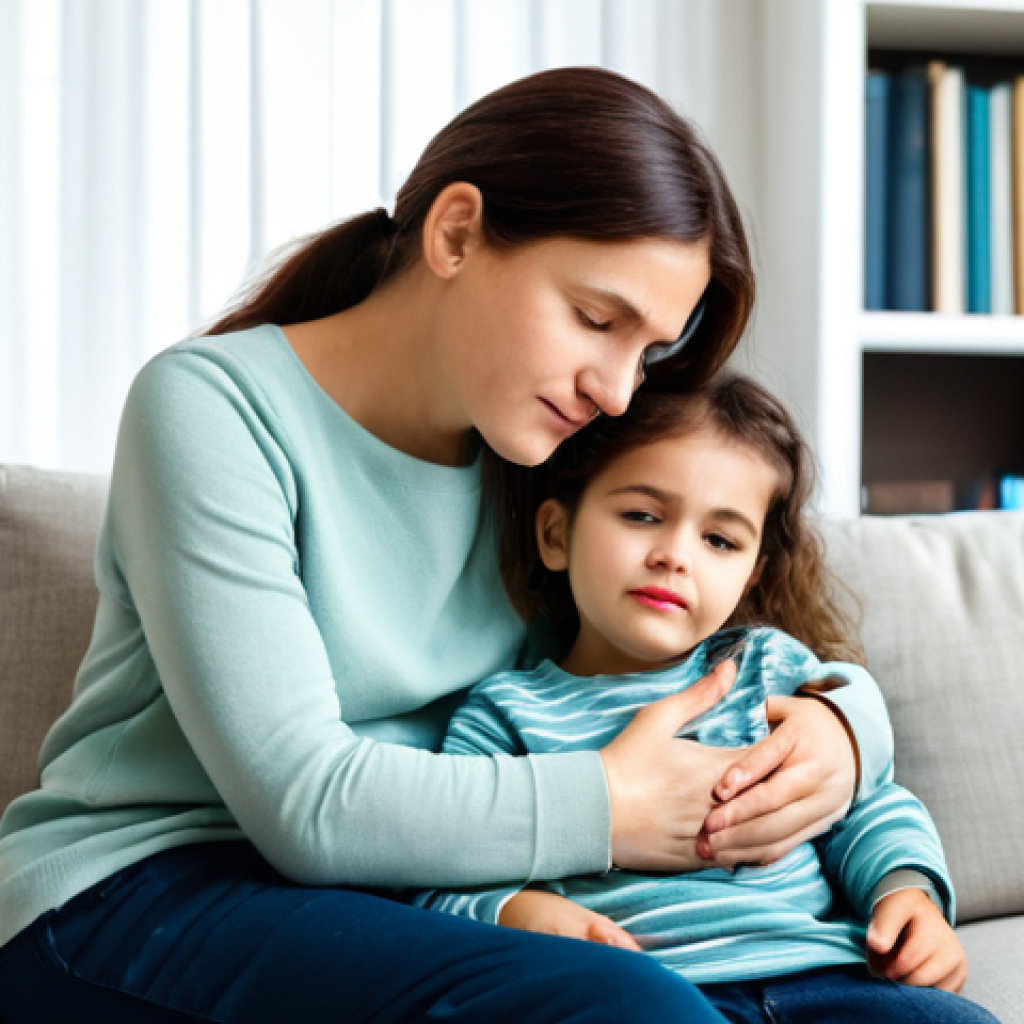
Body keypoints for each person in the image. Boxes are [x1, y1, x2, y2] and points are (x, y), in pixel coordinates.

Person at [0, 68, 894, 1023]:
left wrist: (846, 733)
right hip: (138, 899)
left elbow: (716, 639)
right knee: (635, 1009)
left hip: (395, 899)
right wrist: (613, 805)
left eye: (648, 353)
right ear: (457, 233)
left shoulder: (542, 455)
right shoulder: (212, 406)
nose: (619, 390)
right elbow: (306, 804)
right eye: (597, 320)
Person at [415, 374, 996, 1024]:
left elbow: (864, 806)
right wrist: (520, 911)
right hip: (658, 994)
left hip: (829, 977)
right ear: (556, 534)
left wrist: (908, 895)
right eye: (641, 515)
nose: (674, 556)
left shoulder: (770, 672)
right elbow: (448, 878)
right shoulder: (505, 714)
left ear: (751, 573)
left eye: (719, 540)